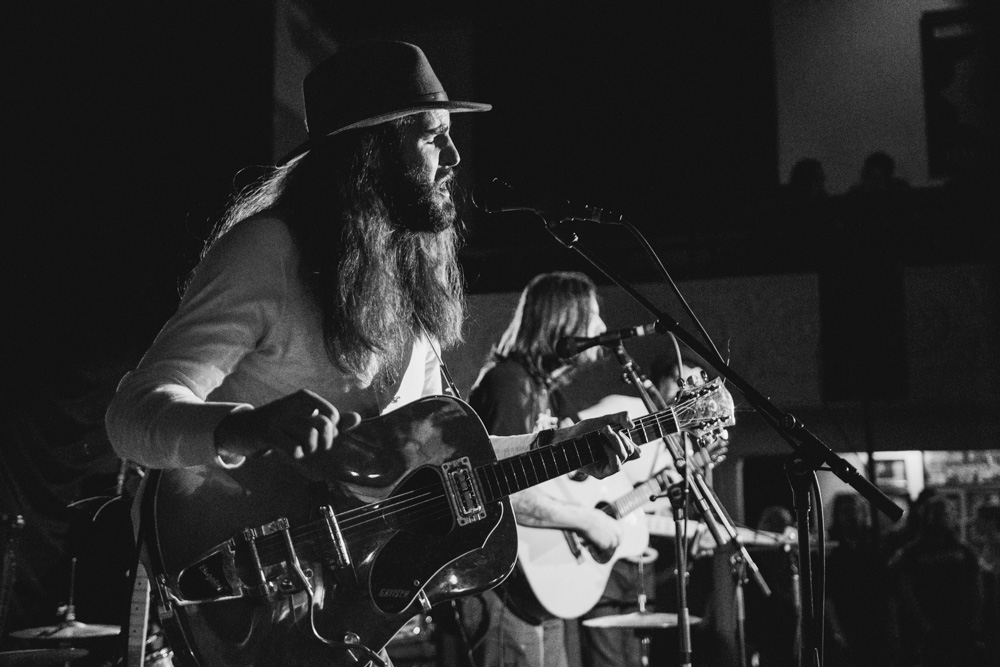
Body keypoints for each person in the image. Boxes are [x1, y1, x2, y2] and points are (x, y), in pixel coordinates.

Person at [104, 41, 634, 665]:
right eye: (434, 136)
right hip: (246, 582)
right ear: (370, 148)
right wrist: (250, 427)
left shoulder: (409, 280)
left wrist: (559, 451)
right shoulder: (268, 252)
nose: (455, 157)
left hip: (350, 612)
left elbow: (446, 459)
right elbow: (133, 415)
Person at [455, 271, 633, 667]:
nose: (603, 328)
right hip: (500, 584)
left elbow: (578, 475)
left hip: (533, 587)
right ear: (564, 321)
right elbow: (503, 492)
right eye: (593, 315)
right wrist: (587, 522)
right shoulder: (507, 384)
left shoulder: (547, 394)